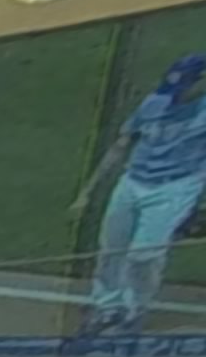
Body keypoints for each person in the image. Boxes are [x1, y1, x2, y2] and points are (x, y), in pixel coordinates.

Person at [76, 54, 206, 336]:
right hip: (132, 182)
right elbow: (122, 145)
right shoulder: (155, 102)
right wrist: (87, 191)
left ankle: (134, 311)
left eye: (184, 86)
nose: (176, 94)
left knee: (144, 255)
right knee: (111, 248)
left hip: (175, 186)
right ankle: (106, 307)